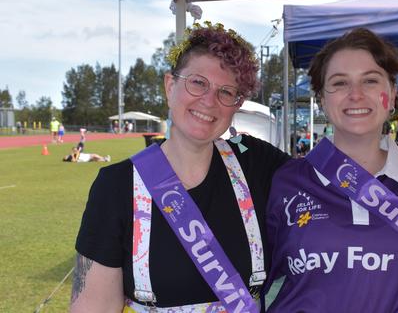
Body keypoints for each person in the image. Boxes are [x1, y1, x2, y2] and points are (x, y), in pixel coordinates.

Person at [70, 22, 290, 312]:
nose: (209, 101)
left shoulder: (257, 164)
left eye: (226, 92)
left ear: (236, 105)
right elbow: (93, 306)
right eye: (198, 82)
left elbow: (330, 188)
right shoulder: (117, 186)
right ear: (170, 85)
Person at [266, 28, 398, 312]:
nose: (355, 95)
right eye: (340, 83)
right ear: (322, 99)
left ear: (392, 94)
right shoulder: (287, 180)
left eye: (370, 80)